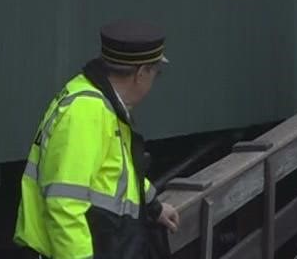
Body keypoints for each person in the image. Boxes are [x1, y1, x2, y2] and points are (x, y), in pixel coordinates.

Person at [15, 22, 179, 259]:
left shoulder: (101, 103)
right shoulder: (87, 113)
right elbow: (64, 206)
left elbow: (114, 173)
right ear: (141, 73)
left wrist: (153, 206)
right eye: (156, 72)